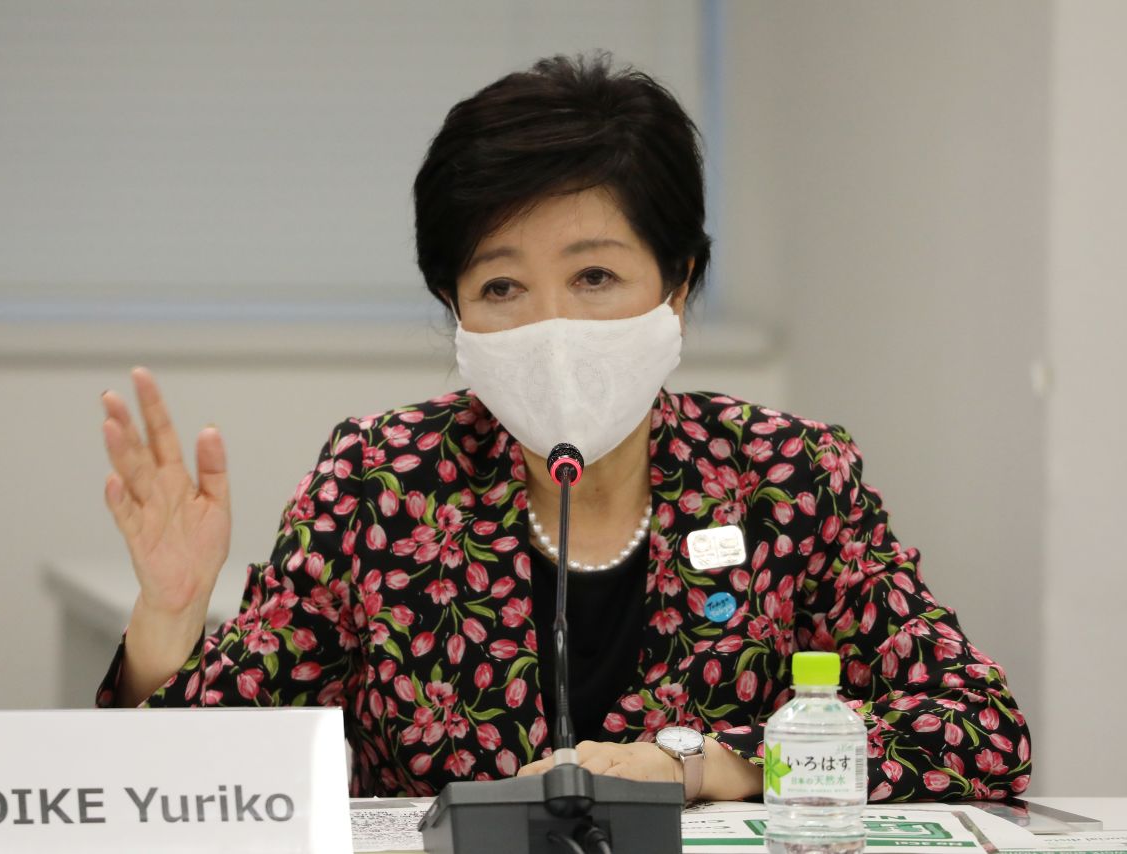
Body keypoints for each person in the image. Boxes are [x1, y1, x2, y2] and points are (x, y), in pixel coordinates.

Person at [95, 53, 1030, 803]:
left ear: (680, 280)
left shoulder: (787, 475)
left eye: (594, 277)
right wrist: (170, 619)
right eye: (501, 287)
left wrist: (707, 767)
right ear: (453, 309)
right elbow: (195, 784)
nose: (553, 328)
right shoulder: (381, 479)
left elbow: (979, 732)